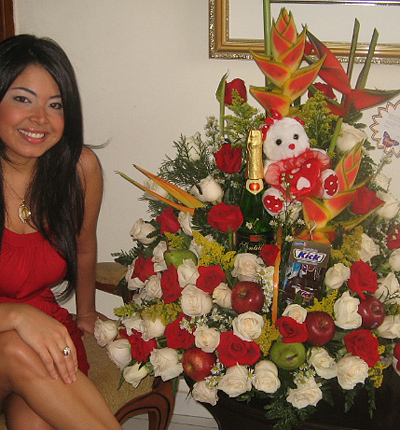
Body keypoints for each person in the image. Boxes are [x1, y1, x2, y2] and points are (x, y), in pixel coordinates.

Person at [0, 34, 123, 430]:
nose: (40, 119)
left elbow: (85, 248)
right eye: (22, 99)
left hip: (45, 330)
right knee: (17, 349)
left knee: (35, 424)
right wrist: (17, 316)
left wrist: (84, 313)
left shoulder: (78, 169)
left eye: (55, 105)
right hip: (18, 334)